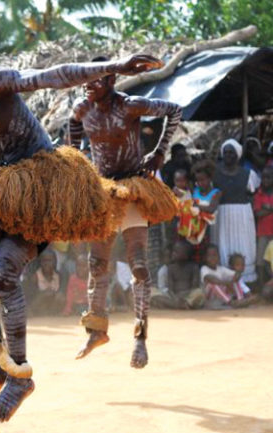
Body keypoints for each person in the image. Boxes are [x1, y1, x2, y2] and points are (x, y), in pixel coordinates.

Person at [0, 15, 161, 422]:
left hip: (44, 185)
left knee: (2, 272)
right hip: (6, 182)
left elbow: (50, 75)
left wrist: (114, 68)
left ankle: (21, 375)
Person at [69, 55, 182, 369]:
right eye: (87, 79)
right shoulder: (82, 109)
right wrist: (76, 160)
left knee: (139, 264)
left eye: (96, 80)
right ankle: (96, 330)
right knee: (96, 262)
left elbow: (174, 111)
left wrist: (159, 152)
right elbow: (73, 127)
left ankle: (140, 336)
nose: (89, 85)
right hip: (105, 190)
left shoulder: (130, 105)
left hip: (133, 188)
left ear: (111, 81)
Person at [211, 139, 260, 283]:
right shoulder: (215, 173)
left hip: (242, 216)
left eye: (231, 152)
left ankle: (245, 282)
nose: (228, 155)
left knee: (244, 244)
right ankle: (226, 281)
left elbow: (253, 192)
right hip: (221, 215)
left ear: (237, 155)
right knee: (222, 244)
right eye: (225, 152)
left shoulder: (248, 174)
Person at [151, 240, 205, 309]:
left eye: (176, 252)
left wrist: (182, 296)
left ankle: (180, 304)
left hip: (188, 296)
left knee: (199, 293)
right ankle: (179, 305)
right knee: (152, 292)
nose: (173, 254)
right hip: (174, 296)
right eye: (173, 251)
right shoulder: (171, 268)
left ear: (185, 255)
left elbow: (194, 286)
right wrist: (176, 298)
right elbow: (170, 288)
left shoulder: (193, 267)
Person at [25, 249, 63, 316]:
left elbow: (61, 292)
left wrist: (56, 293)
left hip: (53, 306)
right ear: (40, 262)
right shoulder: (35, 277)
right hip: (39, 306)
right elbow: (31, 296)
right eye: (44, 261)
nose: (46, 264)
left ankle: (54, 315)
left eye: (49, 260)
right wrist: (43, 294)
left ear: (55, 262)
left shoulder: (58, 276)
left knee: (60, 297)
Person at [253, 166, 273, 285]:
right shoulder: (258, 194)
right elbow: (258, 214)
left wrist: (267, 208)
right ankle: (261, 286)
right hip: (263, 233)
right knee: (260, 261)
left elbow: (262, 211)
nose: (265, 180)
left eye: (269, 177)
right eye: (263, 177)